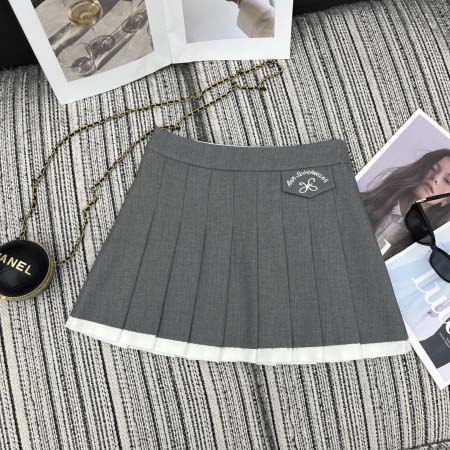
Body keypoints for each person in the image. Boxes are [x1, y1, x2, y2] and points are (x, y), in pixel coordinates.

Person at [360, 149, 450, 260]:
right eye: (433, 168)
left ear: (446, 200)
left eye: (447, 181)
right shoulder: (370, 200)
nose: (435, 178)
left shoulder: (424, 248)